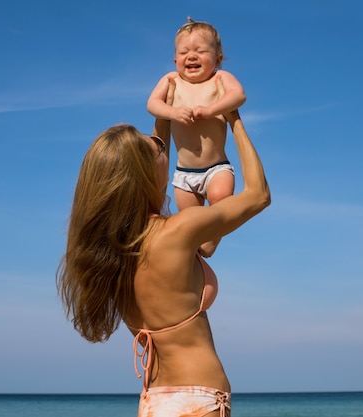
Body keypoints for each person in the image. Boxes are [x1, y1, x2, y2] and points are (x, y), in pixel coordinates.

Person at [56, 98, 269, 416]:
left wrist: (168, 115)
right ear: (143, 173)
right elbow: (258, 195)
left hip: (154, 400)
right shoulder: (179, 231)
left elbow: (154, 159)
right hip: (198, 399)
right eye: (158, 150)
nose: (163, 149)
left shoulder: (113, 252)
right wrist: (234, 119)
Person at [147, 17, 246, 257]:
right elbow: (152, 104)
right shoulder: (171, 80)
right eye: (184, 52)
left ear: (218, 59)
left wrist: (212, 110)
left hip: (216, 168)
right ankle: (199, 253)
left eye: (201, 51)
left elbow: (239, 95)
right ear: (175, 59)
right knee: (190, 222)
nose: (191, 56)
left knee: (221, 200)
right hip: (184, 174)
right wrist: (172, 112)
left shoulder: (219, 79)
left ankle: (212, 242)